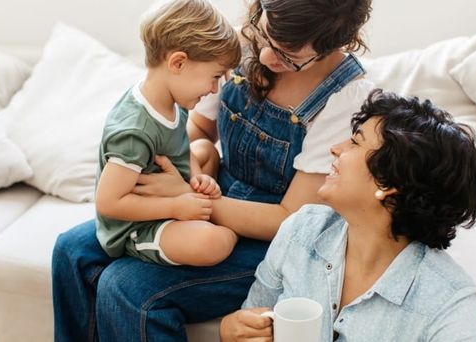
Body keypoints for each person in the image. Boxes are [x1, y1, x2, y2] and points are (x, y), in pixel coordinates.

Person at [52, 0, 374, 340]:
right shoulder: (234, 48)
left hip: (274, 237)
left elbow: (289, 218)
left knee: (128, 287)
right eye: (264, 36)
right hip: (205, 193)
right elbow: (198, 131)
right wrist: (186, 171)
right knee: (71, 250)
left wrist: (186, 198)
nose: (264, 58)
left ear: (334, 46)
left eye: (289, 56)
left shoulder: (346, 96)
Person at [220, 89, 476, 341]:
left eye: (355, 142)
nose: (335, 148)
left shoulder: (449, 301)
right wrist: (231, 330)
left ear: (386, 183)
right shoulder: (302, 229)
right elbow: (255, 314)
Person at [94, 0, 240, 267]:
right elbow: (109, 202)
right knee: (214, 243)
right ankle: (220, 226)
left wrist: (196, 178)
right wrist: (175, 207)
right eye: (215, 76)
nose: (215, 89)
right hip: (137, 224)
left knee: (205, 150)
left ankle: (201, 209)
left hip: (169, 193)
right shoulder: (134, 132)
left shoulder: (173, 99)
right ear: (178, 63)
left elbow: (182, 148)